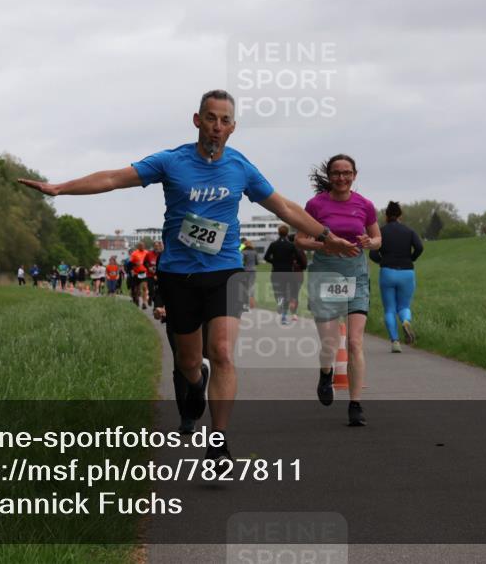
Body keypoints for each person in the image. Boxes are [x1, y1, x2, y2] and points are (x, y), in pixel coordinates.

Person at [18, 89, 356, 463]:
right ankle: (195, 384)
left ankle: (219, 444)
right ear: (197, 120)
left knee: (223, 352)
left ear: (233, 127)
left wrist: (326, 237)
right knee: (190, 362)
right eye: (210, 118)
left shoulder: (240, 167)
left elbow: (284, 207)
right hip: (179, 274)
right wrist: (60, 188)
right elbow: (114, 178)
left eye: (225, 120)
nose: (217, 126)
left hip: (225, 270)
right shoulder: (170, 162)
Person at [295, 154, 381, 427]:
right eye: (336, 173)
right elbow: (300, 240)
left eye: (347, 173)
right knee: (330, 343)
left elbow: (378, 239)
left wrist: (370, 241)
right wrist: (327, 245)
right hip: (325, 275)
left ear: (354, 175)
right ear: (329, 176)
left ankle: (355, 405)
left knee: (355, 342)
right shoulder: (316, 205)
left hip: (356, 274)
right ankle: (325, 372)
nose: (341, 178)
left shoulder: (364, 205)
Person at [368, 201, 424, 353]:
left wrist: (383, 261)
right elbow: (419, 247)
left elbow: (373, 253)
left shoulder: (381, 232)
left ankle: (395, 342)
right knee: (404, 306)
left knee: (390, 309)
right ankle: (406, 321)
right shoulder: (409, 231)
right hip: (407, 272)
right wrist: (411, 258)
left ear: (386, 215)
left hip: (387, 272)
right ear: (400, 215)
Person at [264, 224, 306, 325]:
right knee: (287, 293)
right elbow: (299, 258)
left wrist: (274, 262)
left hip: (276, 272)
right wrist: (294, 263)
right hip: (288, 272)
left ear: (278, 232)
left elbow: (266, 257)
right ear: (287, 233)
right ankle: (284, 316)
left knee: (278, 291)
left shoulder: (273, 244)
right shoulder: (291, 245)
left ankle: (279, 302)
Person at [130, 242, 150, 309]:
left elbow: (149, 262)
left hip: (144, 272)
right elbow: (131, 263)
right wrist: (132, 270)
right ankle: (137, 299)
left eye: (143, 245)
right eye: (140, 246)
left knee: (144, 287)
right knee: (136, 289)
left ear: (144, 246)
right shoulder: (134, 253)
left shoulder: (147, 253)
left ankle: (144, 303)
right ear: (138, 246)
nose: (142, 247)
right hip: (136, 273)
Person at [241, 239, 259, 311]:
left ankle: (245, 304)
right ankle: (251, 303)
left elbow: (242, 262)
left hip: (245, 270)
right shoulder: (255, 252)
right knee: (251, 286)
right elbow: (257, 262)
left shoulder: (243, 252)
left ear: (245, 245)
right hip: (253, 271)